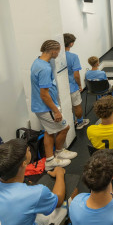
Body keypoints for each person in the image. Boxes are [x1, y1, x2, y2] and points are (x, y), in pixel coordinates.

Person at [0, 139, 66, 225]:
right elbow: (58, 200)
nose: (29, 150)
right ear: (24, 163)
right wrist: (59, 173)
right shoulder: (36, 193)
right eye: (28, 150)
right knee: (69, 199)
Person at [30, 40, 77, 170]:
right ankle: (54, 157)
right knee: (65, 128)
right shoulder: (44, 68)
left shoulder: (39, 61)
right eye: (58, 51)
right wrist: (56, 111)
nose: (59, 53)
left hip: (43, 106)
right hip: (46, 107)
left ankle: (54, 156)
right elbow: (44, 94)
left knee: (50, 132)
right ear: (53, 51)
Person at [63, 33, 90, 130]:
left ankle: (69, 122)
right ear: (71, 44)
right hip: (72, 86)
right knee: (77, 105)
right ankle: (80, 122)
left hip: (60, 88)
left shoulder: (56, 57)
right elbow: (76, 75)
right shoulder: (73, 57)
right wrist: (79, 85)